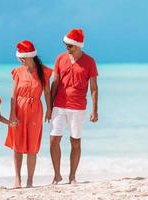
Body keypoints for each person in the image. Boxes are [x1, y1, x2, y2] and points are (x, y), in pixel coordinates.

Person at [50, 28, 99, 184]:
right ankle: (57, 175)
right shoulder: (60, 59)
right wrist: (49, 106)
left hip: (78, 107)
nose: (67, 48)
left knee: (75, 141)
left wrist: (95, 110)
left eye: (69, 46)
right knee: (53, 140)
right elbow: (55, 82)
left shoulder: (89, 61)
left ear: (77, 46)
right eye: (65, 45)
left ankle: (72, 177)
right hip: (59, 105)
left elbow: (94, 88)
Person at [5, 40, 53, 188]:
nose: (21, 61)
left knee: (32, 146)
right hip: (19, 109)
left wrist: (49, 109)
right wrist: (12, 114)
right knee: (17, 145)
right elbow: (13, 94)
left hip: (35, 111)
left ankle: (30, 180)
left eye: (23, 58)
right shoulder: (18, 72)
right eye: (20, 59)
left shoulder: (44, 71)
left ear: (30, 56)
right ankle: (17, 178)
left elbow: (46, 92)